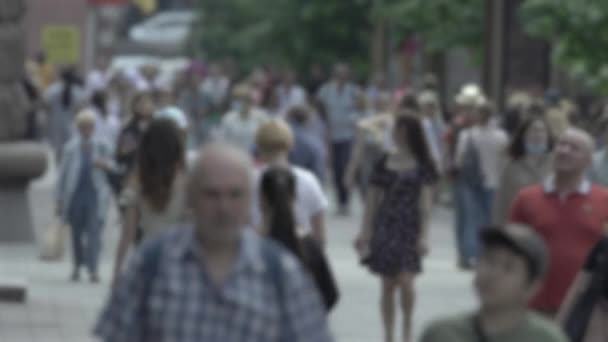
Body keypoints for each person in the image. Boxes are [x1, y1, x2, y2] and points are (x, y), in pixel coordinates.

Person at [95, 144, 333, 342]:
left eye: (235, 194)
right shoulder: (151, 265)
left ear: (251, 199)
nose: (224, 208)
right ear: (190, 196)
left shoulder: (280, 272)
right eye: (212, 194)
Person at [354, 113, 437, 342]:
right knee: (387, 285)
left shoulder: (423, 165)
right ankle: (389, 334)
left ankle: (407, 327)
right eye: (396, 130)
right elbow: (371, 200)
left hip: (410, 227)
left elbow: (426, 205)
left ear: (412, 133)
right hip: (386, 226)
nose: (399, 135)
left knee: (407, 282)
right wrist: (365, 231)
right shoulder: (383, 161)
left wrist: (424, 236)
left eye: (403, 131)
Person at [510, 128, 608, 316]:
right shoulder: (527, 198)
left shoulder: (603, 201)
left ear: (589, 161)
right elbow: (511, 250)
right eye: (561, 145)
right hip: (533, 305)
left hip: (583, 309)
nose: (564, 151)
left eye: (574, 148)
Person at [420, 224, 568, 342]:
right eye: (489, 261)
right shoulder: (441, 334)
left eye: (508, 267)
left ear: (532, 287)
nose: (493, 274)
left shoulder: (546, 339)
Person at [112, 118, 188, 281]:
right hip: (180, 261)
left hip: (148, 260)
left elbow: (127, 234)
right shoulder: (189, 184)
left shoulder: (139, 185)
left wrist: (117, 272)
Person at [259, 166, 339, 311]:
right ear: (294, 196)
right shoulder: (307, 244)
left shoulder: (250, 246)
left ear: (261, 199)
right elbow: (330, 294)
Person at [56, 110, 114, 283]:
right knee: (76, 234)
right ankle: (77, 266)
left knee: (94, 234)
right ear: (78, 128)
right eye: (83, 126)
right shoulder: (71, 147)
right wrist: (59, 198)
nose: (86, 130)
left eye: (89, 126)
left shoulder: (102, 145)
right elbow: (63, 174)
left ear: (94, 128)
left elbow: (114, 165)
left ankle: (93, 269)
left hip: (95, 195)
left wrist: (105, 164)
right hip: (75, 195)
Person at [253, 119, 328, 246]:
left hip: (260, 252)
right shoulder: (309, 179)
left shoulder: (249, 180)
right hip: (301, 253)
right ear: (290, 145)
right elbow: (320, 234)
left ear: (259, 146)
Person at [455, 102, 509, 268]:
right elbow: (505, 161)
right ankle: (484, 254)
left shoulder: (467, 135)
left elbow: (459, 160)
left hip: (470, 182)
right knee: (489, 219)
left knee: (470, 218)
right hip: (494, 182)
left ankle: (468, 254)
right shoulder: (501, 136)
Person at [317, 63, 364, 214]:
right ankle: (339, 199)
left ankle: (346, 199)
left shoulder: (353, 91)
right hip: (331, 134)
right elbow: (319, 106)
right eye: (339, 74)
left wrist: (354, 119)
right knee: (336, 168)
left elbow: (360, 107)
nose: (341, 78)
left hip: (348, 134)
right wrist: (324, 122)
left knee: (345, 166)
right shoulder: (326, 90)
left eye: (344, 75)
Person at [492, 116, 554, 225]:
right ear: (523, 136)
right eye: (533, 131)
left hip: (551, 226)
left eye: (542, 131)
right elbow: (502, 203)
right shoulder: (511, 166)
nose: (538, 135)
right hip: (522, 228)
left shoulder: (557, 164)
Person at [345, 91, 394, 197]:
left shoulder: (394, 122)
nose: (381, 106)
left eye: (384, 103)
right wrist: (351, 171)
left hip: (388, 159)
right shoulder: (367, 121)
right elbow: (358, 147)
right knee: (367, 192)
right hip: (369, 157)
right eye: (379, 103)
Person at [112, 91, 156, 197]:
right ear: (134, 106)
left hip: (155, 175)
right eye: (140, 103)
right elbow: (124, 153)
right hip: (133, 177)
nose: (144, 106)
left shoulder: (159, 126)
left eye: (147, 103)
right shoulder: (129, 128)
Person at [44, 66, 86, 161]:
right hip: (71, 125)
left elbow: (46, 106)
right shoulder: (77, 91)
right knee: (70, 152)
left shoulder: (52, 90)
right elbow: (81, 109)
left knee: (58, 154)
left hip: (55, 125)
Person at [219, 85, 270, 152]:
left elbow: (266, 138)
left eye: (249, 100)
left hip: (252, 156)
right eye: (243, 100)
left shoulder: (262, 117)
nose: (246, 103)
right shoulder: (228, 118)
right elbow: (221, 141)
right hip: (231, 155)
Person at [287, 104, 327, 182]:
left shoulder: (284, 137)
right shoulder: (315, 143)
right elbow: (319, 172)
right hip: (308, 183)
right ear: (308, 120)